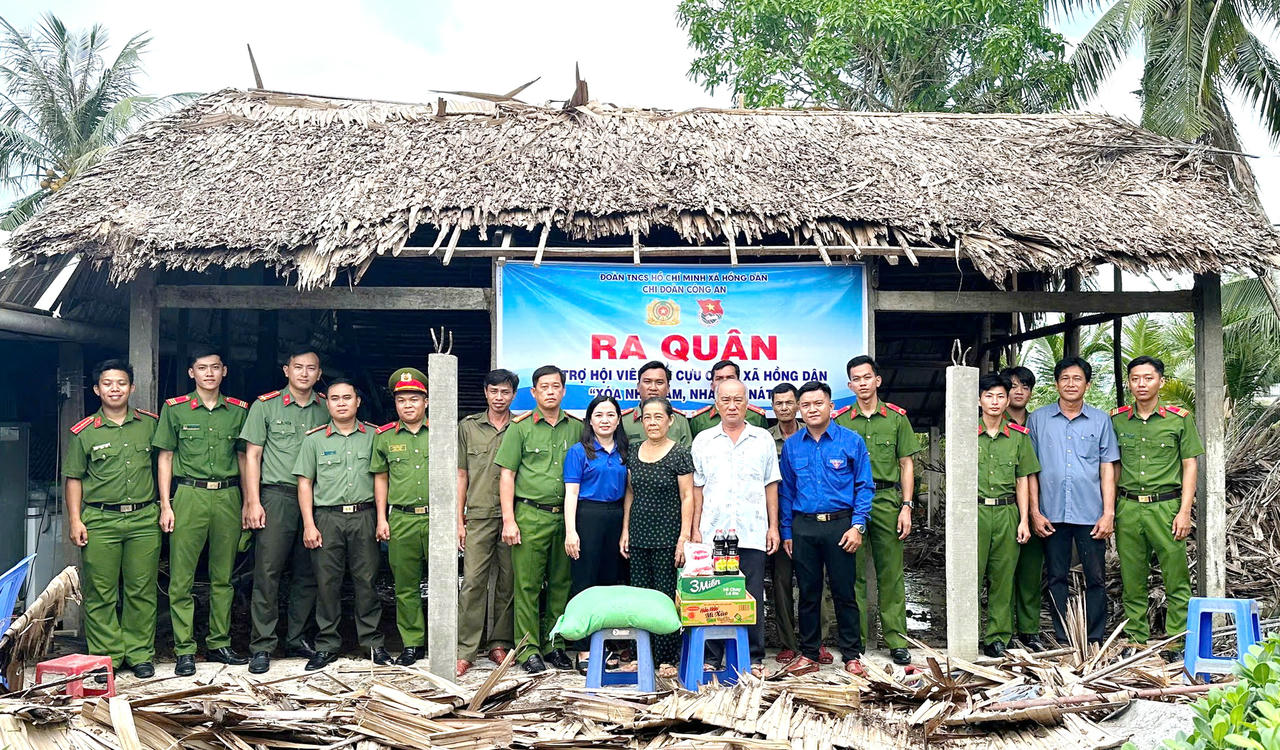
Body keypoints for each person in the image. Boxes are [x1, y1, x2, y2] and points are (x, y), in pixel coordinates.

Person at [153, 350, 249, 676]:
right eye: (202, 368)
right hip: (189, 495)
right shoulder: (175, 409)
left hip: (227, 496)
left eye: (215, 368)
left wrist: (249, 501)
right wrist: (166, 504)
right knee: (182, 578)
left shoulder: (238, 411)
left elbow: (243, 459)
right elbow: (165, 457)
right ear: (191, 372)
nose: (209, 373)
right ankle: (185, 650)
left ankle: (220, 642)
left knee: (224, 577)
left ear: (225, 371)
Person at [62, 359, 160, 679]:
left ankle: (140, 653)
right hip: (101, 520)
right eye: (107, 383)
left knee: (141, 589)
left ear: (132, 388)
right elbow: (74, 478)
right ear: (97, 390)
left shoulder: (150, 425)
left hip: (145, 518)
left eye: (120, 383)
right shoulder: (84, 432)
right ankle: (107, 657)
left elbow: (166, 464)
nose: (114, 388)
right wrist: (76, 520)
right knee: (101, 592)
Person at [294, 378, 391, 670]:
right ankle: (326, 644)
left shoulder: (374, 436)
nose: (341, 403)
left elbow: (381, 479)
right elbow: (304, 483)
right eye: (335, 398)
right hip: (327, 517)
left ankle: (373, 644)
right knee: (327, 583)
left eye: (347, 397)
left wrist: (381, 517)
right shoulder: (314, 440)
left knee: (367, 582)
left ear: (357, 402)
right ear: (328, 403)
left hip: (364, 515)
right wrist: (309, 524)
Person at [240, 349, 327, 674]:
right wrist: (253, 501)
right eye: (298, 367)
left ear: (319, 374)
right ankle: (262, 645)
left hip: (318, 499)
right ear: (286, 369)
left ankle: (296, 637)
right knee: (268, 571)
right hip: (276, 496)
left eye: (311, 368)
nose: (304, 373)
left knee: (308, 571)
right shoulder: (266, 406)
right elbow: (253, 455)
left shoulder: (326, 407)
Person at [778, 381, 874, 676]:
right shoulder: (792, 445)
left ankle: (851, 654)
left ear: (831, 407)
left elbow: (864, 486)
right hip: (804, 527)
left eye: (818, 403)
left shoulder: (851, 440)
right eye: (805, 405)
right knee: (807, 593)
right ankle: (808, 653)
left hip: (841, 526)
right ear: (799, 410)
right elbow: (787, 492)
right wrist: (787, 532)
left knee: (845, 592)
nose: (812, 409)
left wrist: (858, 525)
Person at [1112, 356, 1203, 656]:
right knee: (1132, 579)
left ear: (1161, 381)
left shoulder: (1179, 418)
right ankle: (1136, 639)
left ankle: (1176, 642)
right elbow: (1111, 467)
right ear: (1129, 382)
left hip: (1166, 507)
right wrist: (1110, 510)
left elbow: (1190, 465)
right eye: (1135, 378)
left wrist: (1185, 510)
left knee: (1176, 578)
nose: (1141, 384)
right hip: (1128, 507)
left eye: (1148, 378)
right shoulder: (1117, 419)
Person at [1027, 357, 1119, 646]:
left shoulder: (1101, 420)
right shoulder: (1038, 419)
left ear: (1087, 385)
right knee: (1056, 577)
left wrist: (1108, 513)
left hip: (1090, 512)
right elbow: (1030, 469)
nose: (1070, 384)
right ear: (1056, 384)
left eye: (1077, 379)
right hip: (1051, 512)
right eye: (1065, 378)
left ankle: (1093, 635)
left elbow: (1107, 467)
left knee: (1095, 578)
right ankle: (1063, 634)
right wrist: (1034, 511)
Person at [833, 355, 918, 666]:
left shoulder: (896, 419)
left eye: (867, 377)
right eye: (856, 379)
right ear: (850, 385)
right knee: (851, 575)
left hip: (885, 501)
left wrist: (906, 506)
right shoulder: (840, 421)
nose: (862, 383)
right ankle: (856, 642)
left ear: (877, 381)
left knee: (891, 573)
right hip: (850, 503)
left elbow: (907, 464)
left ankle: (896, 640)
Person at [496, 365, 581, 674]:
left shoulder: (576, 427)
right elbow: (507, 475)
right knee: (528, 586)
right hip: (530, 515)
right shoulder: (520, 428)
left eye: (555, 386)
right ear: (533, 392)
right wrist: (509, 520)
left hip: (566, 517)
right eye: (543, 387)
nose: (549, 391)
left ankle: (554, 644)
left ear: (563, 391)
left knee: (561, 584)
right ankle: (528, 649)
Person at [691, 378, 780, 675]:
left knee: (751, 594)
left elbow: (770, 485)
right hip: (713, 530)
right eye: (725, 400)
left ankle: (753, 657)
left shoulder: (763, 439)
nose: (732, 405)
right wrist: (694, 530)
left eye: (738, 400)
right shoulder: (703, 440)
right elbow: (697, 489)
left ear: (747, 402)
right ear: (716, 404)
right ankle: (713, 655)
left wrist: (773, 527)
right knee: (715, 592)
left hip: (753, 529)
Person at [621, 396, 694, 676]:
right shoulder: (635, 451)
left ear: (670, 420)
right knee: (640, 597)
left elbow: (688, 497)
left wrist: (683, 537)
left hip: (667, 536)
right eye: (647, 417)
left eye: (658, 417)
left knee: (664, 597)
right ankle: (643, 654)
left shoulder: (678, 454)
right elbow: (630, 493)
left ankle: (666, 658)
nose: (652, 422)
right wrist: (625, 530)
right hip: (638, 534)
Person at [456, 369, 519, 677]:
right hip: (479, 514)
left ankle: (499, 642)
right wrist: (458, 519)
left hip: (514, 516)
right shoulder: (468, 427)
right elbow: (461, 474)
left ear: (513, 395)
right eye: (493, 391)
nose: (499, 398)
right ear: (485, 392)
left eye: (505, 392)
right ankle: (466, 649)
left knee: (508, 582)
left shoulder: (521, 427)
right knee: (472, 582)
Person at [768, 383, 834, 666]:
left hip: (809, 519)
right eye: (778, 403)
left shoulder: (815, 435)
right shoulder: (763, 437)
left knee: (814, 583)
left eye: (789, 402)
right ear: (772, 407)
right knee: (781, 583)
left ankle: (817, 642)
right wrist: (779, 528)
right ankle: (787, 643)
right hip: (777, 518)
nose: (784, 407)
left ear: (798, 405)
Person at [563, 395, 629, 671]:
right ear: (590, 420)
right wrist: (571, 531)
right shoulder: (579, 452)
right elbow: (571, 493)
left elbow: (629, 493)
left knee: (610, 583)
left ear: (618, 419)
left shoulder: (626, 452)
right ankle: (583, 649)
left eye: (610, 415)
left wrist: (625, 529)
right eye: (599, 415)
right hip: (587, 517)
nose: (605, 420)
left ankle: (607, 645)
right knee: (584, 585)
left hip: (616, 518)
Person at [372, 368, 433, 667]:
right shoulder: (384, 438)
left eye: (414, 399)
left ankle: (443, 639)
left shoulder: (442, 433)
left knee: (445, 583)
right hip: (402, 519)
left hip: (437, 519)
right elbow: (381, 479)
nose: (408, 405)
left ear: (427, 401)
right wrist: (382, 518)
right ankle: (412, 642)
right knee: (406, 586)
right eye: (401, 400)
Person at [975, 374, 1038, 657]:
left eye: (1000, 396)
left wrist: (1024, 519)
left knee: (1003, 578)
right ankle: (968, 633)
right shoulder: (964, 433)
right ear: (979, 400)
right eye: (989, 396)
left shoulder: (1019, 437)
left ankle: (997, 637)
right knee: (971, 576)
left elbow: (1023, 479)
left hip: (1007, 511)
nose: (995, 402)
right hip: (974, 512)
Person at [1000, 365, 1046, 651]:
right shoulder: (993, 420)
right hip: (1003, 507)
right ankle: (1000, 632)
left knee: (1030, 572)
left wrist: (1034, 511)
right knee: (1002, 574)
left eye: (1025, 387)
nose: (1019, 391)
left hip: (1037, 506)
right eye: (1013, 386)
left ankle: (1029, 630)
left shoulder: (1040, 422)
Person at [620, 361, 693, 447]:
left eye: (659, 383)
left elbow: (687, 456)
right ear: (638, 387)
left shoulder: (680, 421)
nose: (653, 388)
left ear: (668, 388)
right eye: (647, 382)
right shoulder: (624, 421)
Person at [689, 360, 769, 436]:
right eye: (719, 378)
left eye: (730, 377)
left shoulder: (756, 417)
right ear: (712, 386)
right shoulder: (699, 419)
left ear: (739, 382)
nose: (724, 382)